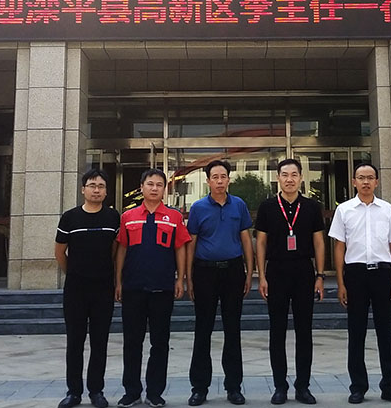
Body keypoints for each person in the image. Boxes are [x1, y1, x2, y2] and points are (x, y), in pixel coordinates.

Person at [329, 162, 391, 405]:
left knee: (386, 333)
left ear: (377, 182)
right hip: (355, 275)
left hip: (383, 275)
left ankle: (389, 387)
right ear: (354, 182)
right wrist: (341, 283)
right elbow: (339, 247)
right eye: (361, 178)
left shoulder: (387, 210)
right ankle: (358, 387)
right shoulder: (344, 210)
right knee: (356, 333)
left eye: (370, 177)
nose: (365, 182)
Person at [115, 168, 192, 408]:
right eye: (150, 184)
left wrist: (180, 279)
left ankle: (155, 392)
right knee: (132, 342)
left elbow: (180, 248)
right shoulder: (128, 216)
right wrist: (118, 281)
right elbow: (122, 249)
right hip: (133, 288)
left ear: (165, 189)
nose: (154, 188)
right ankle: (131, 392)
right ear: (142, 187)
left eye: (159, 184)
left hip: (162, 288)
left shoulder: (174, 217)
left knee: (160, 342)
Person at [255, 158, 326, 405]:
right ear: (278, 178)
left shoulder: (312, 207)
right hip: (276, 271)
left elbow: (319, 242)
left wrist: (320, 275)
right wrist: (261, 276)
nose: (289, 179)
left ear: (301, 178)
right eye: (284, 175)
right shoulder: (267, 207)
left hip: (304, 271)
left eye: (294, 174)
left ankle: (303, 386)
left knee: (304, 331)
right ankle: (280, 386)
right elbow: (260, 242)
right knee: (277, 332)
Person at [185, 160, 254, 406]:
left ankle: (233, 387)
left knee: (232, 330)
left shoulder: (239, 205)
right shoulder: (198, 207)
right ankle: (199, 387)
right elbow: (191, 243)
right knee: (202, 330)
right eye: (215, 177)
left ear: (229, 179)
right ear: (208, 181)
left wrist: (250, 272)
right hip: (205, 273)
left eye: (223, 176)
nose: (219, 181)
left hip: (233, 272)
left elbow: (246, 239)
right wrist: (188, 277)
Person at [55, 168, 121, 408]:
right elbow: (60, 252)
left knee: (99, 341)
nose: (96, 190)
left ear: (106, 191)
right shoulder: (70, 217)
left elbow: (115, 251)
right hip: (76, 289)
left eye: (101, 186)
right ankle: (74, 392)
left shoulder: (113, 218)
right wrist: (73, 273)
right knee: (75, 340)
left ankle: (96, 391)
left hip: (103, 288)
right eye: (92, 185)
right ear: (83, 189)